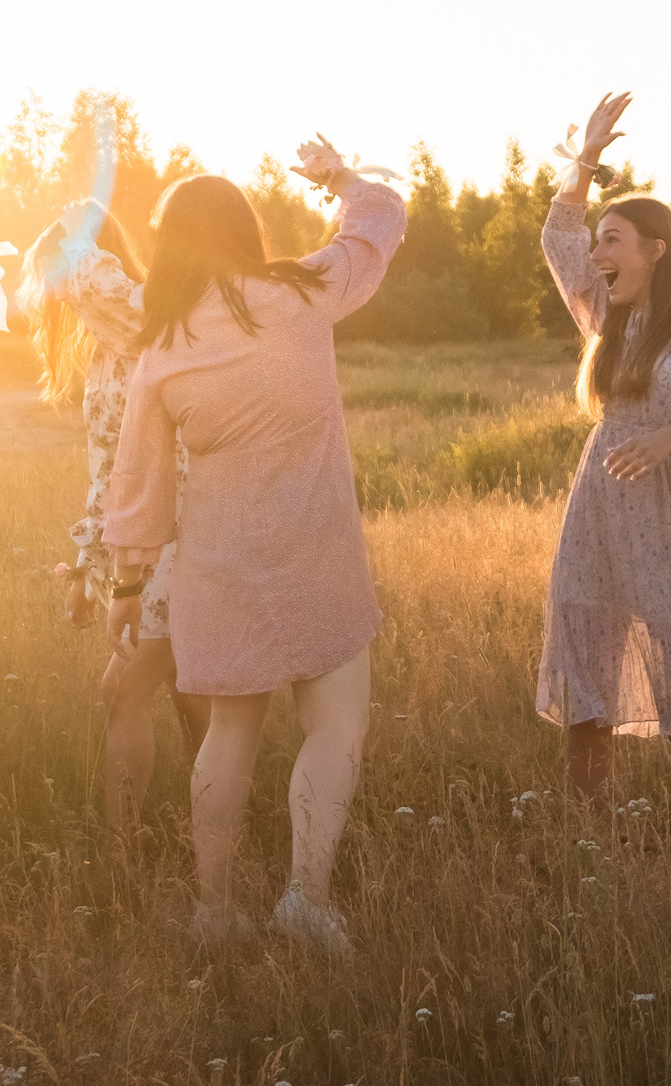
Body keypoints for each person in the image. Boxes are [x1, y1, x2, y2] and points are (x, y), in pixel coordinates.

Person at [102, 136, 404, 956]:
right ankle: (306, 897)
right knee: (334, 725)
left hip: (217, 559)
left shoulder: (160, 350)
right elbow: (380, 219)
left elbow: (139, 481)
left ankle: (214, 909)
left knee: (228, 731)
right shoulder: (301, 291)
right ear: (245, 228)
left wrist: (128, 584)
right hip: (315, 543)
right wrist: (339, 178)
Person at [538, 92, 671, 824]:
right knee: (586, 668)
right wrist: (586, 161)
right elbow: (557, 235)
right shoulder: (605, 316)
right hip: (599, 506)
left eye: (613, 240)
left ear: (655, 248)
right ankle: (588, 842)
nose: (596, 255)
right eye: (598, 243)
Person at [19, 205, 211, 830]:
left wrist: (74, 234)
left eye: (61, 278)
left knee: (124, 689)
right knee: (188, 691)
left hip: (183, 532)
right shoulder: (109, 352)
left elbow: (99, 282)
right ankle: (218, 819)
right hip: (141, 540)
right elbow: (107, 474)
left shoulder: (147, 325)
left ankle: (122, 857)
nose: (59, 297)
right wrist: (84, 564)